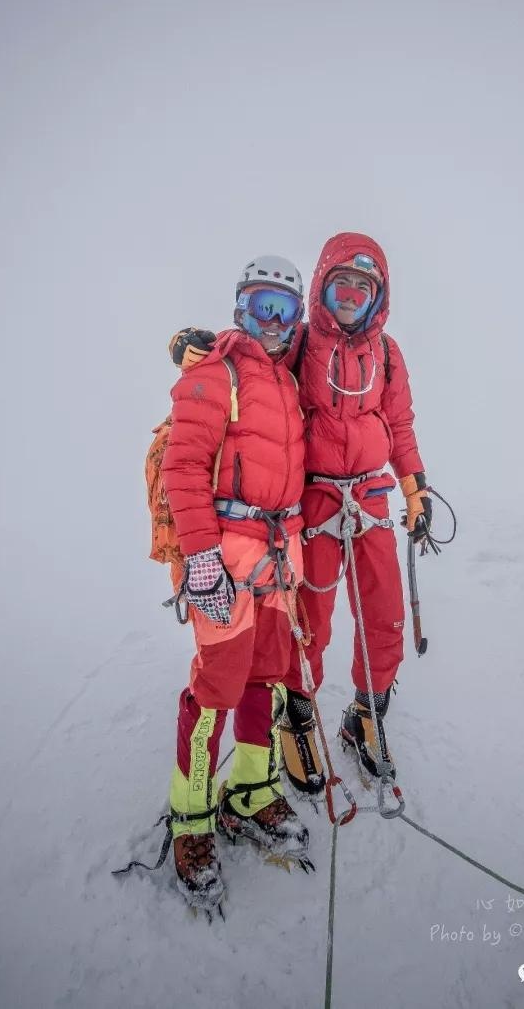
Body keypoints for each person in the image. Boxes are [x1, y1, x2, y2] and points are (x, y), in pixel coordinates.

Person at [169, 232, 431, 799]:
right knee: (307, 621)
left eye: (365, 287)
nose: (352, 295)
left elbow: (401, 424)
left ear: (378, 297)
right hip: (311, 500)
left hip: (371, 496)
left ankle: (366, 714)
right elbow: (255, 352)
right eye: (343, 283)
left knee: (384, 615)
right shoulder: (303, 342)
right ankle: (297, 717)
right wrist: (198, 345)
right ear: (322, 286)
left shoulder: (387, 354)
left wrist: (416, 490)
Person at [161, 255, 310, 910]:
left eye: (283, 308)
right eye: (259, 305)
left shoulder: (290, 384)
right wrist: (198, 559)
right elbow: (184, 467)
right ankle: (190, 819)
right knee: (215, 690)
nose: (271, 321)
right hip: (224, 556)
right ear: (239, 309)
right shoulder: (214, 374)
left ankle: (251, 794)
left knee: (267, 681)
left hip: (280, 559)